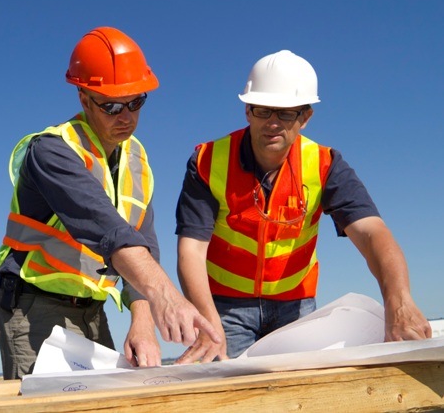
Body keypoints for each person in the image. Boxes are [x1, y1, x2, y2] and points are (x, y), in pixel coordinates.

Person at [174, 49, 432, 363]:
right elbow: (191, 249)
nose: (272, 123)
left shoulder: (326, 165)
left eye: (285, 113)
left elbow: (372, 233)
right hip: (224, 308)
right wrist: (207, 320)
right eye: (263, 110)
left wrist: (399, 302)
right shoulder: (207, 161)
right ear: (247, 111)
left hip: (295, 307)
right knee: (223, 386)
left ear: (305, 117)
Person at [0, 27, 219, 379]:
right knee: (49, 402)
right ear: (84, 99)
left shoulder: (135, 159)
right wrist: (165, 295)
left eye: (135, 102)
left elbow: (142, 242)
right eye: (111, 106)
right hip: (33, 306)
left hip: (92, 311)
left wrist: (142, 320)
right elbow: (109, 230)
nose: (126, 116)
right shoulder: (52, 151)